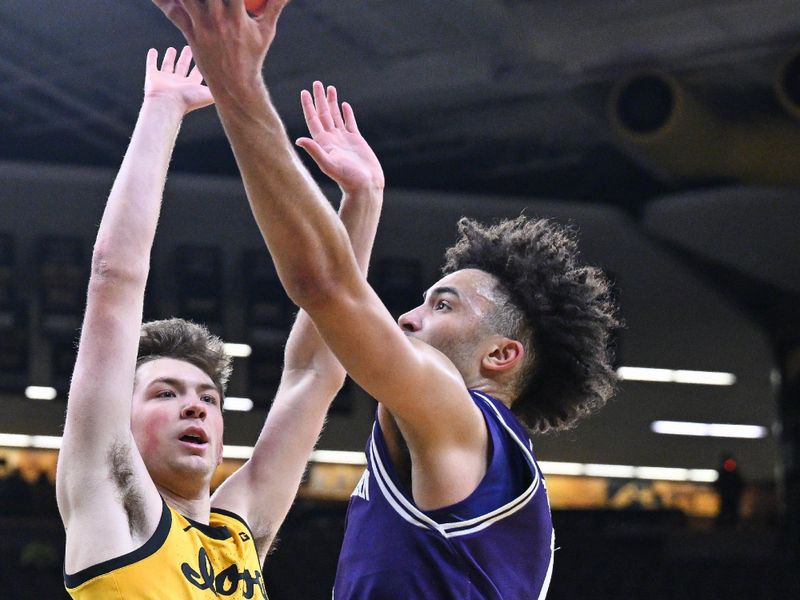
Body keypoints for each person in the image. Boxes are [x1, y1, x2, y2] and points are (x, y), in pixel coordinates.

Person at [151, 2, 619, 597]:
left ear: (500, 356)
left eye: (443, 306)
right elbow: (311, 366)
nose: (407, 316)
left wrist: (236, 79)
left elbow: (327, 287)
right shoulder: (466, 452)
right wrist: (362, 200)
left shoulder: (462, 416)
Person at [55, 44, 384, 598]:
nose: (194, 406)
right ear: (119, 417)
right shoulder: (112, 500)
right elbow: (115, 279)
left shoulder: (239, 535)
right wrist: (161, 107)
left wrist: (363, 200)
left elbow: (313, 374)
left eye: (208, 398)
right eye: (164, 393)